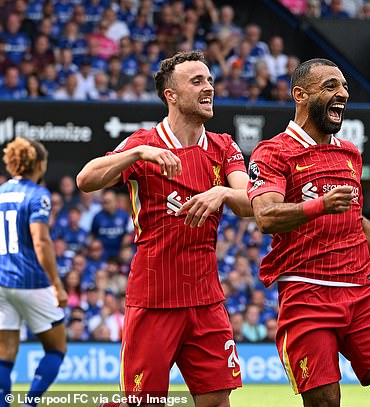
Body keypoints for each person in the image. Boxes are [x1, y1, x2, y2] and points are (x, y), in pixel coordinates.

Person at [247, 58, 370, 407]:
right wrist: (320, 205)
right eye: (331, 86)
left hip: (363, 291)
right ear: (300, 95)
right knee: (325, 401)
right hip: (307, 294)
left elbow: (353, 219)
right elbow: (266, 215)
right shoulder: (272, 152)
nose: (342, 94)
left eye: (345, 87)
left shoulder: (350, 153)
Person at [76, 50, 252, 407]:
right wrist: (136, 154)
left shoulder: (223, 146)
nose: (209, 88)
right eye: (197, 81)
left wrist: (221, 192)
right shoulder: (145, 143)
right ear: (171, 95)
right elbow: (85, 179)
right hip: (154, 297)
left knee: (218, 401)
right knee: (143, 403)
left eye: (210, 80)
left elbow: (251, 203)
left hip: (206, 300)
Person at [0, 137, 68, 407]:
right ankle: (30, 403)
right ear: (39, 164)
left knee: (5, 354)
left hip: (2, 281)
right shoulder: (38, 194)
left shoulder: (1, 192)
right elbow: (40, 241)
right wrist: (56, 284)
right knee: (56, 348)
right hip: (32, 282)